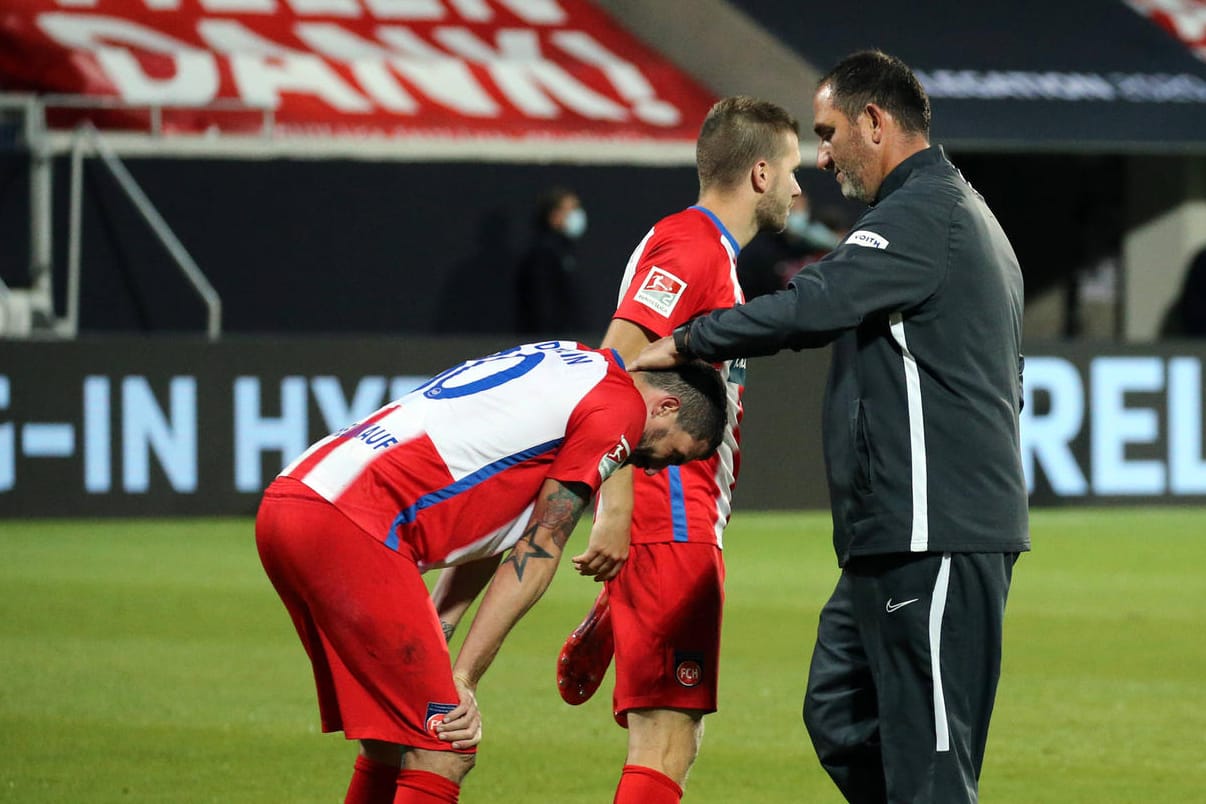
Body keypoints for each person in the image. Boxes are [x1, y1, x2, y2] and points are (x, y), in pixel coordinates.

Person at [632, 50, 1030, 803]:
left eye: (828, 132)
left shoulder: (927, 211)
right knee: (841, 713)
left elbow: (813, 303)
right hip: (896, 531)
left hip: (935, 530)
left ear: (874, 123)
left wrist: (690, 338)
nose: (819, 157)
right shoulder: (941, 215)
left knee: (932, 767)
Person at [255, 340, 727, 804]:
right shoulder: (619, 410)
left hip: (294, 499)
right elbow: (540, 548)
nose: (648, 469)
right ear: (665, 407)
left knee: (391, 739)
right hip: (355, 524)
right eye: (667, 455)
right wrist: (463, 678)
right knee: (444, 746)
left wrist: (442, 625)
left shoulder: (568, 359)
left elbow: (491, 525)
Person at [555, 96, 802, 804]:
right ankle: (622, 599)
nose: (796, 186)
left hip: (685, 518)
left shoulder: (701, 249)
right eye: (789, 169)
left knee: (677, 735)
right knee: (666, 738)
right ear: (759, 173)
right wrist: (616, 506)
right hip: (672, 518)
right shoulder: (691, 249)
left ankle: (616, 612)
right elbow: (614, 366)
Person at [738, 189, 843, 299]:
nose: (795, 211)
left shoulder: (820, 245)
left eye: (799, 205)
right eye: (791, 206)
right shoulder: (758, 250)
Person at [515, 187, 588, 336]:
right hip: (549, 340)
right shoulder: (542, 253)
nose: (577, 214)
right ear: (554, 216)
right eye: (572, 209)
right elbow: (542, 304)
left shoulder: (565, 250)